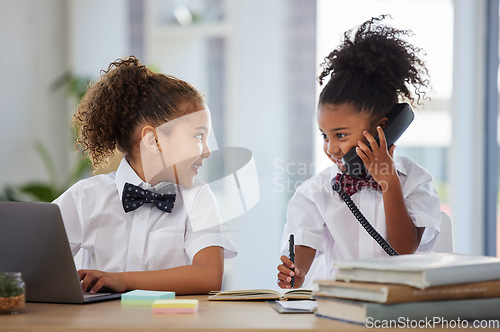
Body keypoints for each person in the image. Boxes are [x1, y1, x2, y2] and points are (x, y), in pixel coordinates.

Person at [277, 15, 441, 289]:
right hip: (339, 311)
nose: (331, 148)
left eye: (341, 135)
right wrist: (296, 272)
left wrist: (389, 183)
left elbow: (404, 252)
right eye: (325, 136)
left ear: (383, 129)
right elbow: (304, 247)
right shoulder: (315, 192)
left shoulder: (415, 182)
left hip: (401, 311)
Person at [53, 56, 236, 295]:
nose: (207, 151)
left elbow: (209, 275)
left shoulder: (198, 197)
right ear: (154, 140)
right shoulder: (83, 198)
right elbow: (34, 261)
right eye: (198, 136)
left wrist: (122, 280)